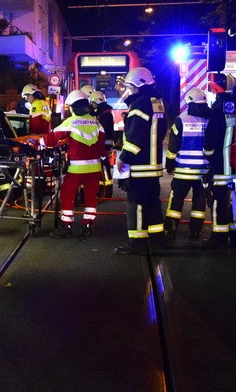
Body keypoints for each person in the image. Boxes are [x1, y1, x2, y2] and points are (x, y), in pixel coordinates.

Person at [114, 67, 166, 255]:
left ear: (138, 85)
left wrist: (124, 158)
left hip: (139, 165)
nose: (129, 90)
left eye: (130, 87)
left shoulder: (140, 105)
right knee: (152, 203)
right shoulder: (156, 102)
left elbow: (136, 135)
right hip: (153, 165)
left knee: (135, 204)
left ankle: (137, 244)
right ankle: (158, 240)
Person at [46, 90, 107, 238]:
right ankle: (87, 226)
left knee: (67, 195)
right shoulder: (97, 124)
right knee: (90, 198)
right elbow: (101, 148)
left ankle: (66, 226)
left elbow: (51, 140)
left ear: (72, 107)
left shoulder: (70, 122)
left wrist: (36, 142)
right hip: (94, 168)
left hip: (76, 169)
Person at [165, 87, 216, 239]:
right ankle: (195, 231)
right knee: (199, 203)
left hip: (183, 170)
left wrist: (169, 163)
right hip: (204, 171)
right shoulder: (209, 120)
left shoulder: (181, 119)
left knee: (176, 200)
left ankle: (171, 229)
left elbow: (173, 145)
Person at [205, 74, 236, 246]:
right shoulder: (235, 104)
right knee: (234, 198)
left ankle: (218, 237)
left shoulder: (218, 109)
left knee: (218, 198)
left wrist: (207, 153)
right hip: (235, 164)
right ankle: (235, 234)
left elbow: (211, 136)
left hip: (219, 163)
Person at [89, 90, 117, 196]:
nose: (92, 105)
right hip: (106, 143)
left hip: (104, 144)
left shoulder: (105, 113)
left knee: (104, 167)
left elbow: (101, 127)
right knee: (104, 166)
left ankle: (105, 191)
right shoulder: (105, 110)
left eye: (93, 102)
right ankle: (105, 190)